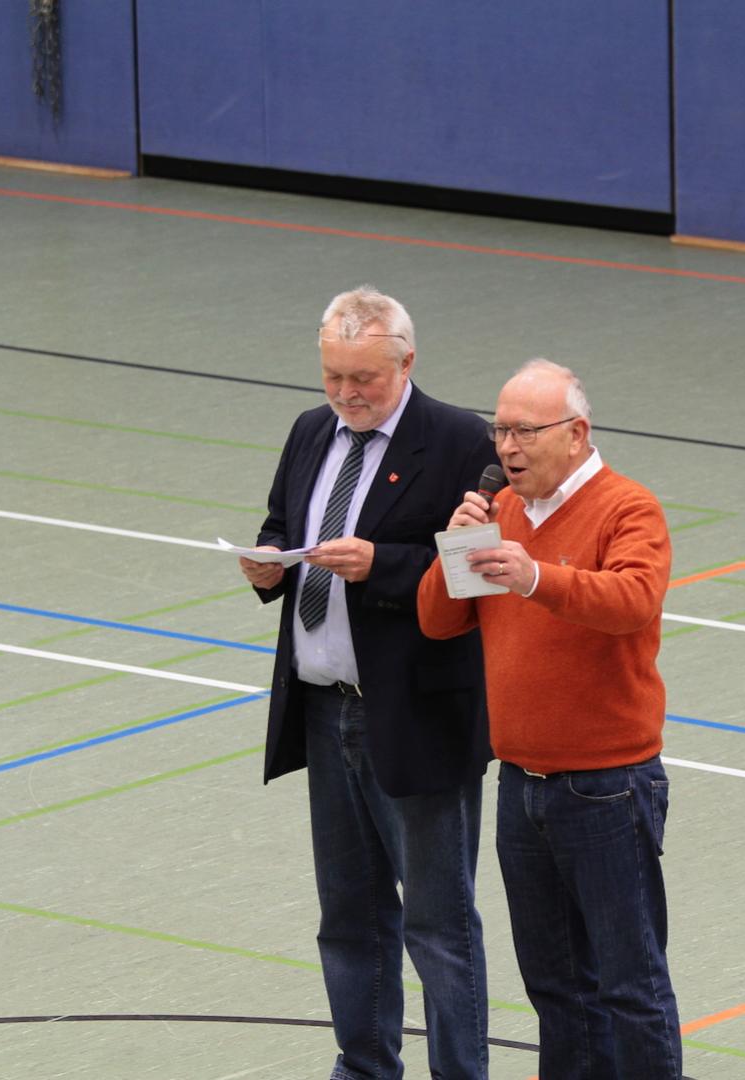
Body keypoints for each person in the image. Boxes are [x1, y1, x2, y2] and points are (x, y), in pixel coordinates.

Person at [239, 286, 498, 1080]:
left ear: (406, 362)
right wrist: (266, 564)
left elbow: (477, 578)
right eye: (333, 377)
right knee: (349, 917)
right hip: (325, 713)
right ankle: (364, 1068)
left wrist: (380, 565)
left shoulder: (459, 441)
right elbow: (283, 525)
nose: (346, 395)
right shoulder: (310, 431)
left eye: (364, 379)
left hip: (418, 718)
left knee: (438, 929)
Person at [416, 359, 682, 1078]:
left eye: (525, 431)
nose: (507, 447)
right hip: (522, 787)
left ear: (576, 433)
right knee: (556, 987)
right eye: (500, 430)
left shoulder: (627, 508)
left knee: (630, 985)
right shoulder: (498, 511)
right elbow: (438, 620)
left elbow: (632, 601)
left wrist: (534, 576)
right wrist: (455, 544)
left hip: (607, 787)